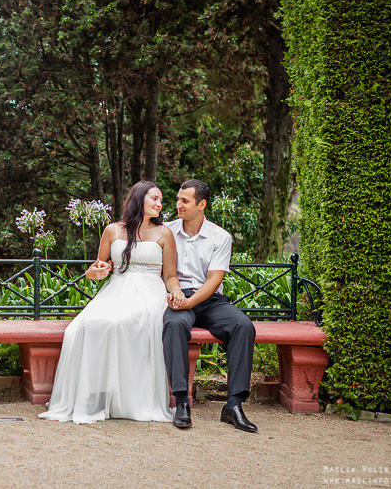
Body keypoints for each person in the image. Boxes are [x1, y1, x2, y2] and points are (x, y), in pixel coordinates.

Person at [39, 181, 185, 424]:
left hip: (149, 292)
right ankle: (93, 396)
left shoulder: (164, 234)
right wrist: (97, 272)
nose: (160, 204)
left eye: (161, 200)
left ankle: (127, 399)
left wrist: (176, 291)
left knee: (123, 323)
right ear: (139, 199)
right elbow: (97, 267)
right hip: (116, 289)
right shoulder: (112, 231)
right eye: (154, 199)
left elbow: (170, 275)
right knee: (82, 327)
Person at [163, 179, 258, 432]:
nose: (178, 205)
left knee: (242, 326)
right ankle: (182, 402)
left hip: (209, 299)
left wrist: (191, 302)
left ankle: (234, 405)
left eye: (185, 200)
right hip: (179, 295)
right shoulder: (167, 231)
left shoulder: (220, 237)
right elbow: (166, 272)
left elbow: (214, 280)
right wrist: (178, 297)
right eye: (178, 199)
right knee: (173, 324)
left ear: (201, 204)